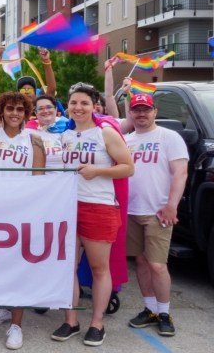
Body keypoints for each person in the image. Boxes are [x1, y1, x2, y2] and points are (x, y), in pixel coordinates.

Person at [52, 83, 133, 347]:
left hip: (98, 207)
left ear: (94, 105)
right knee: (68, 268)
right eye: (74, 103)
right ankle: (71, 320)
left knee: (99, 268)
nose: (78, 108)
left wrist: (98, 171)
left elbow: (128, 168)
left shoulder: (106, 133)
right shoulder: (65, 136)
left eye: (84, 103)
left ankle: (97, 323)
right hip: (68, 207)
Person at [0, 47, 46, 350]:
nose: (15, 113)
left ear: (26, 114)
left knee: (18, 266)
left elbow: (39, 181)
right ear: (3, 111)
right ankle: (6, 308)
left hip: (19, 212)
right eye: (10, 108)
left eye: (21, 110)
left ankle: (17, 325)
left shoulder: (33, 140)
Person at [124, 94, 188, 337]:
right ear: (130, 113)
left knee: (157, 264)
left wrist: (172, 205)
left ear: (155, 111)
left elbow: (180, 173)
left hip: (157, 211)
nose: (141, 114)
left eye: (146, 109)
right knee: (140, 261)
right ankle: (149, 309)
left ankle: (164, 312)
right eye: (136, 110)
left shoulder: (169, 137)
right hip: (131, 210)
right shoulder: (127, 140)